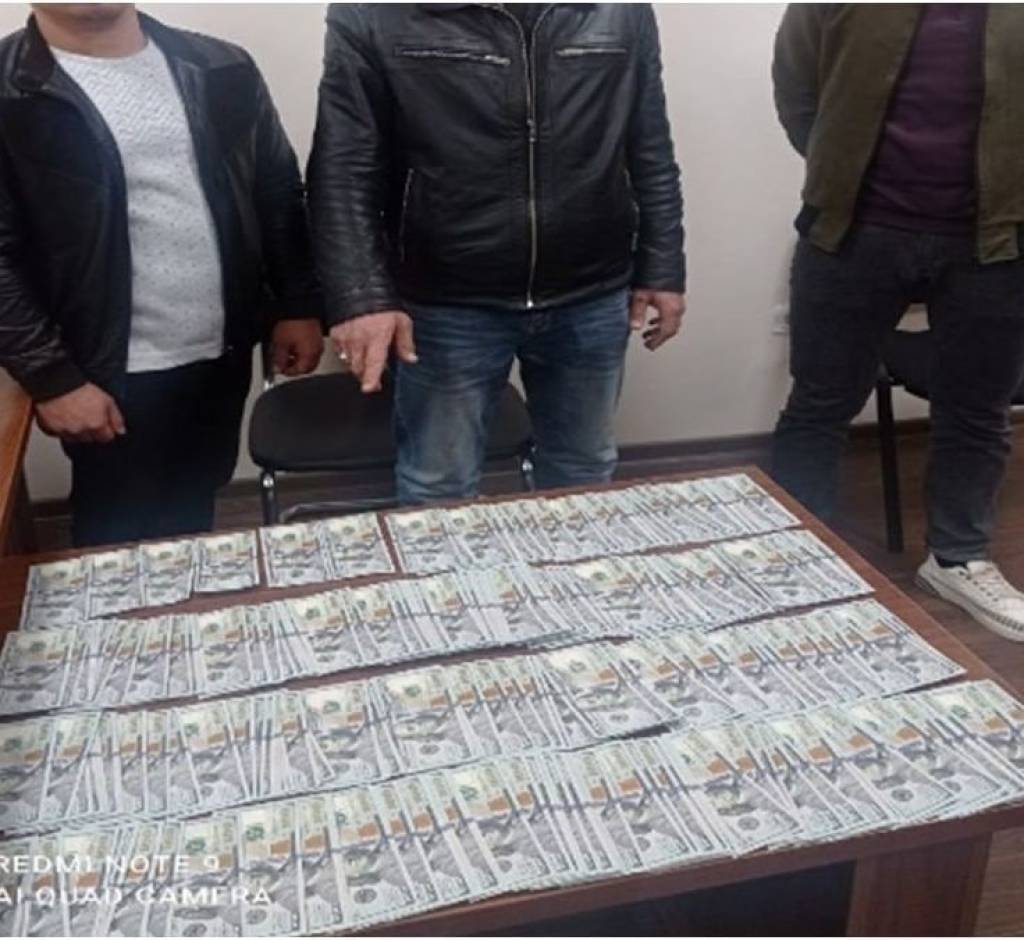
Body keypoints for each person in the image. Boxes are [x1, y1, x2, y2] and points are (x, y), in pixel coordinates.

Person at [308, 3, 685, 504]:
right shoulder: (376, 12)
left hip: (590, 290)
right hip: (446, 300)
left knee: (584, 471)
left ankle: (566, 562)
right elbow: (343, 165)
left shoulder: (621, 10)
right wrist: (361, 296)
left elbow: (650, 146)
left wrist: (662, 266)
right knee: (438, 485)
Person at [0, 3, 323, 546]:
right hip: (103, 369)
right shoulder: (11, 90)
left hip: (220, 351)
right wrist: (52, 378)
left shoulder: (221, 66)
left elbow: (275, 188)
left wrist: (296, 304)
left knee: (195, 513)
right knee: (116, 535)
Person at [771, 4, 1024, 640]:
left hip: (995, 243)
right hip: (854, 231)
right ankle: (796, 557)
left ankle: (956, 558)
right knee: (820, 403)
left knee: (978, 410)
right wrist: (836, 170)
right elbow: (796, 82)